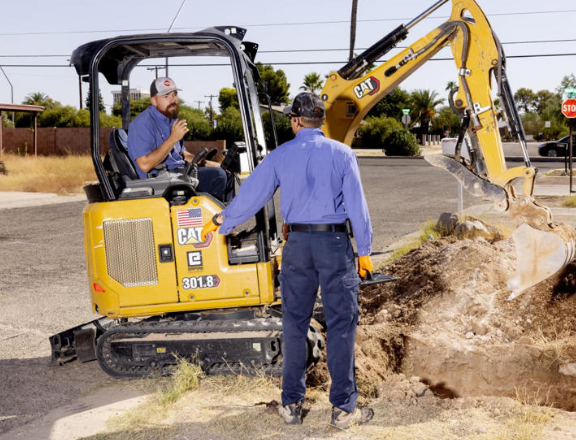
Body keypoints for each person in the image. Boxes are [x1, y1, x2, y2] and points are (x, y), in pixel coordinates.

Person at [201, 92, 375, 429]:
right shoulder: (343, 154)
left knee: (294, 324)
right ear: (320, 121)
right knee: (341, 325)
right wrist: (364, 252)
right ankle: (343, 410)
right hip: (334, 242)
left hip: (296, 245)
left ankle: (291, 404)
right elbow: (357, 204)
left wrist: (222, 222)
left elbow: (252, 195)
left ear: (295, 121)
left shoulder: (280, 156)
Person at [127, 77, 230, 201]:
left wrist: (208, 163)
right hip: (159, 180)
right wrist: (173, 138)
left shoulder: (171, 120)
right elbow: (144, 165)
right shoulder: (142, 124)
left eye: (174, 94)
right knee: (217, 176)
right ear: (154, 101)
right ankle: (217, 218)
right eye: (166, 96)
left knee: (226, 174)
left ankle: (229, 217)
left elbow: (182, 155)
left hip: (178, 173)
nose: (173, 100)